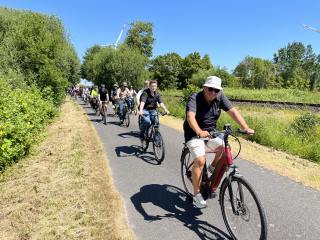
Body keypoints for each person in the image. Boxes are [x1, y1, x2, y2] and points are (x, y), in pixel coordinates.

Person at [183, 76, 254, 209]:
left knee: (225, 149)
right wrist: (199, 131)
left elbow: (232, 111)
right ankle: (196, 195)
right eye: (210, 89)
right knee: (200, 161)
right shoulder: (195, 98)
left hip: (211, 133)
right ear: (204, 88)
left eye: (216, 90)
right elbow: (190, 117)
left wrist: (245, 127)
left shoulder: (219, 97)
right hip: (194, 133)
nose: (213, 93)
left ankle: (212, 169)